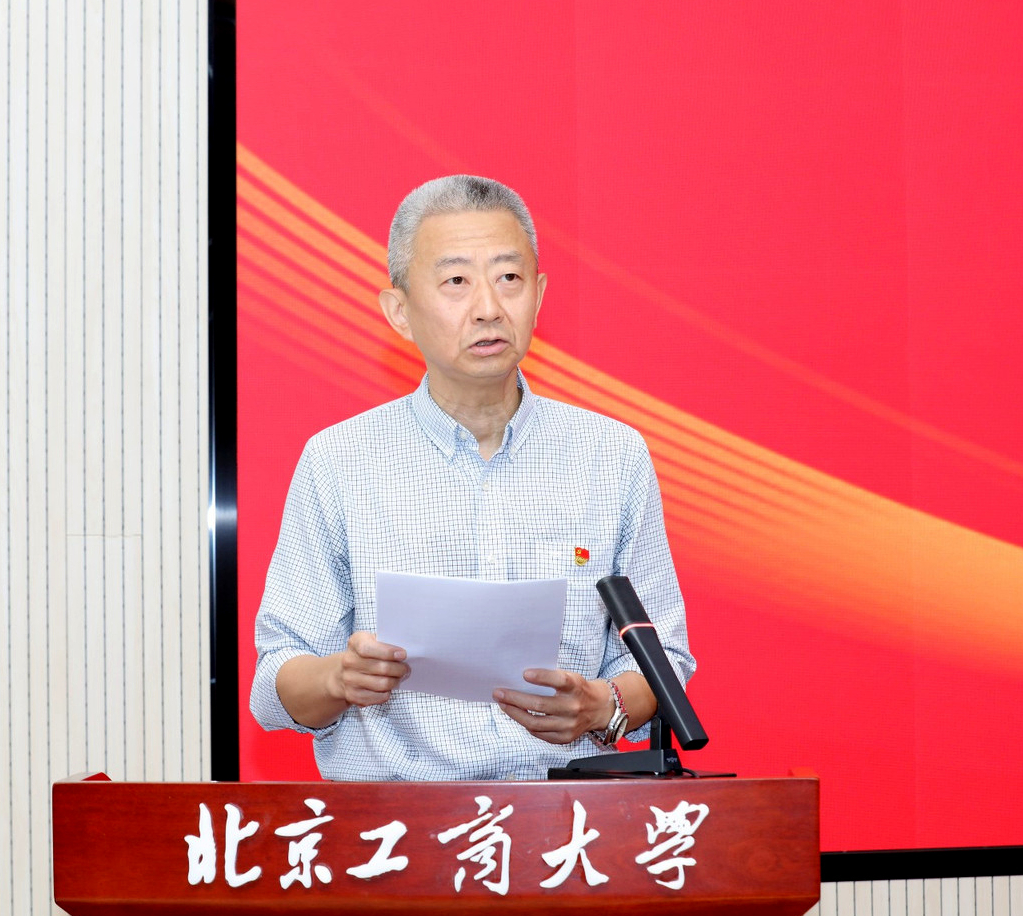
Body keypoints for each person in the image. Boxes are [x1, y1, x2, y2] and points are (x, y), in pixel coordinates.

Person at [250, 175, 694, 780]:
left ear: (538, 295)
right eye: (456, 281)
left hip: (567, 818)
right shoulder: (339, 460)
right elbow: (275, 684)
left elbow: (663, 661)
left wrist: (603, 707)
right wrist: (338, 677)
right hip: (396, 822)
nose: (488, 307)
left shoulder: (611, 457)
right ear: (400, 312)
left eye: (509, 278)